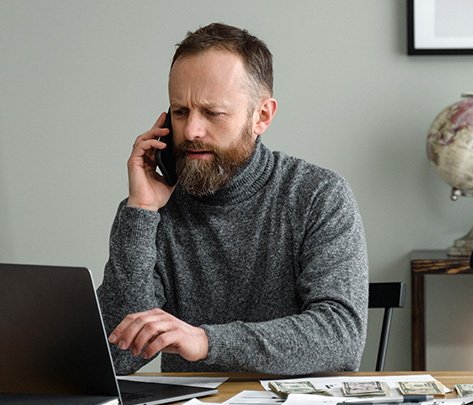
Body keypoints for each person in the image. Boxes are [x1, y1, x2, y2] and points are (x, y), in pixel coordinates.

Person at [97, 23, 369, 375]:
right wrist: (140, 212)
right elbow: (116, 357)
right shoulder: (151, 210)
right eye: (180, 112)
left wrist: (207, 341)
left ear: (262, 116)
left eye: (212, 113)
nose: (191, 131)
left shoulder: (318, 195)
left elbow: (340, 337)